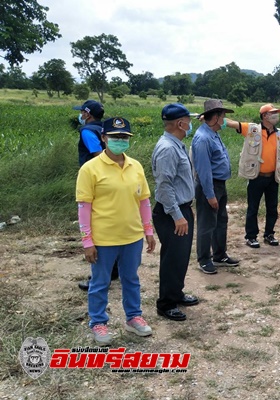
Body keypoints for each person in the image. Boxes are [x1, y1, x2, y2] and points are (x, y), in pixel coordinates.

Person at [75, 117, 156, 345]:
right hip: (103, 238)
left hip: (131, 236)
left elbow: (144, 201)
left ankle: (134, 317)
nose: (119, 141)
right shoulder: (90, 169)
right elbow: (84, 207)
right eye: (114, 137)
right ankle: (98, 323)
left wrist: (148, 230)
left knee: (131, 279)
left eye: (124, 137)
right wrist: (87, 241)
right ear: (103, 138)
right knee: (100, 282)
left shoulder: (135, 166)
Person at [152, 103, 200, 321]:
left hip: (181, 209)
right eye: (188, 121)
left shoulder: (176, 144)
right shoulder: (168, 148)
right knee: (172, 258)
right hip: (172, 213)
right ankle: (166, 303)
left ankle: (176, 293)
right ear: (180, 123)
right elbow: (164, 186)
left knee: (180, 257)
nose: (190, 124)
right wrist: (177, 216)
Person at [72, 99, 118, 291]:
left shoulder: (88, 132)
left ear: (88, 114)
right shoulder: (103, 129)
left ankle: (100, 277)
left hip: (96, 184)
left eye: (82, 112)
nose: (81, 116)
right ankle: (114, 270)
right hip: (110, 183)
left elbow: (98, 155)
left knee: (98, 229)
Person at [227, 104, 280, 248]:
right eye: (273, 113)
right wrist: (212, 117)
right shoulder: (253, 129)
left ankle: (269, 234)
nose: (276, 116)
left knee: (272, 208)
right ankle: (251, 236)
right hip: (256, 176)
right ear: (264, 115)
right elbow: (232, 123)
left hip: (273, 178)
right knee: (253, 208)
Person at [192, 99, 240, 274]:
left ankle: (220, 254)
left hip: (220, 184)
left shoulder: (213, 133)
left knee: (221, 221)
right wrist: (210, 195)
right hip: (209, 186)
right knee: (207, 224)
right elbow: (203, 171)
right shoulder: (203, 139)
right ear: (215, 117)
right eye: (223, 115)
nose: (225, 119)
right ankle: (204, 259)